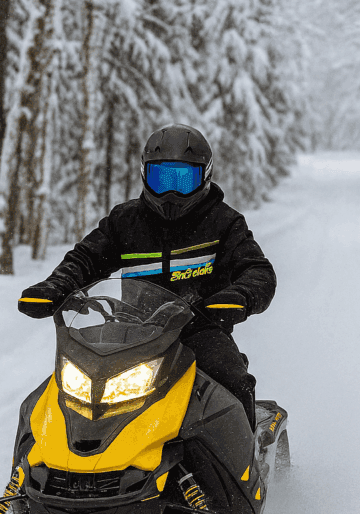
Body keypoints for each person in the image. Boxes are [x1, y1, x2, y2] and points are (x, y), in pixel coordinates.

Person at [17, 123, 275, 429]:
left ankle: (246, 471)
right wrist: (57, 286)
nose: (170, 192)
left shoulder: (222, 223)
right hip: (131, 332)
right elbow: (85, 259)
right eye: (161, 178)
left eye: (182, 179)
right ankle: (38, 467)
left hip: (200, 330)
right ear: (144, 173)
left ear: (204, 177)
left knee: (232, 380)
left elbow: (257, 270)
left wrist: (237, 297)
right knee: (58, 392)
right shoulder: (125, 221)